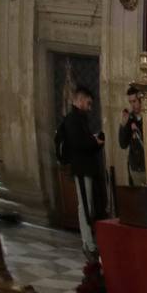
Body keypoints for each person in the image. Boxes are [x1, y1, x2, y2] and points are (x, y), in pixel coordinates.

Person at [56, 86, 106, 254]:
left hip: (88, 168)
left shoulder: (80, 119)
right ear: (80, 99)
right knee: (84, 206)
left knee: (88, 205)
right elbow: (78, 143)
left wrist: (95, 142)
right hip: (82, 169)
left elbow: (84, 142)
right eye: (88, 103)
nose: (90, 107)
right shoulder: (72, 119)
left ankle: (89, 241)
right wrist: (94, 142)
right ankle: (87, 243)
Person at [119, 84, 147, 185]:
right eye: (130, 102)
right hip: (135, 169)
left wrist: (140, 131)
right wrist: (123, 125)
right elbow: (123, 144)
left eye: (134, 101)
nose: (132, 105)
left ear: (140, 99)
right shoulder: (130, 119)